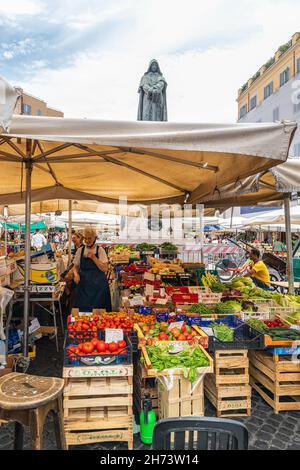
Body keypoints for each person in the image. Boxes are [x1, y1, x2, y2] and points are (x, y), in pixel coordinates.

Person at [73, 227, 112, 312]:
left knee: (99, 310)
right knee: (83, 309)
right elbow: (75, 267)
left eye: (89, 238)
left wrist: (94, 258)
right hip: (84, 285)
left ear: (95, 238)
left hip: (99, 286)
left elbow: (105, 268)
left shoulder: (100, 250)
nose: (87, 241)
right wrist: (76, 274)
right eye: (85, 238)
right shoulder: (80, 250)